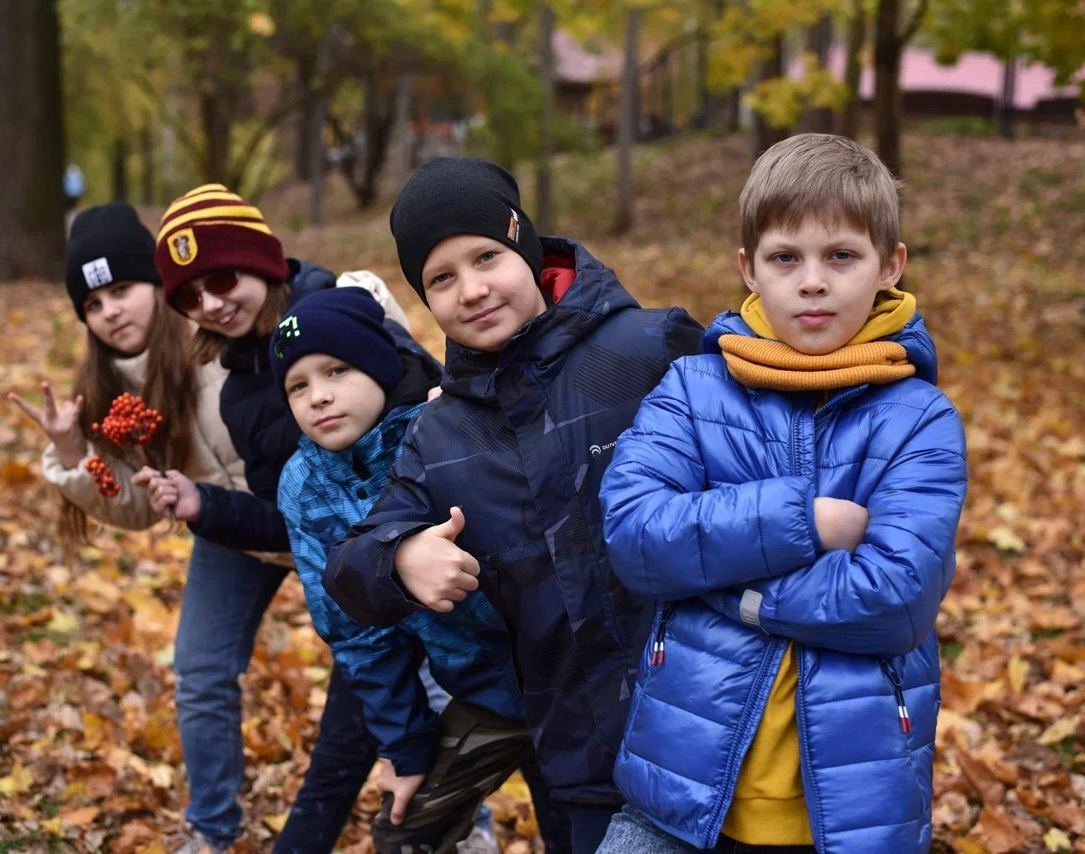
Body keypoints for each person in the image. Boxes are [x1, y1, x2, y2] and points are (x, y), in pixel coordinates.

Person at [594, 133, 968, 853]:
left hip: (853, 816)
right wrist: (804, 518)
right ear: (749, 269)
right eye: (785, 258)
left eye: (842, 256)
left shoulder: (920, 419)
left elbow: (896, 597)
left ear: (891, 265)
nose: (813, 282)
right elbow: (636, 534)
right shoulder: (693, 390)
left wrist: (731, 591)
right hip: (676, 796)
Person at [321, 157, 704, 853]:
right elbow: (349, 568)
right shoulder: (440, 434)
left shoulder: (648, 350)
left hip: (711, 725)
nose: (471, 290)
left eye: (486, 258)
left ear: (525, 246)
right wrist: (401, 555)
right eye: (441, 278)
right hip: (581, 755)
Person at [134, 183, 424, 852]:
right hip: (350, 591)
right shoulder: (237, 389)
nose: (209, 304)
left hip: (420, 560)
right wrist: (202, 504)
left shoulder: (344, 309)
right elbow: (290, 517)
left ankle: (472, 825)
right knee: (357, 741)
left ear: (261, 259)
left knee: (452, 716)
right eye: (188, 297)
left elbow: (426, 402)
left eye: (223, 278)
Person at [6, 202, 291, 853]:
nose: (111, 310)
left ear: (161, 284)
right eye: (93, 302)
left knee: (397, 662)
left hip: (311, 514)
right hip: (228, 529)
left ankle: (457, 820)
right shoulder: (111, 395)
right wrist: (79, 451)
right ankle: (212, 829)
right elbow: (133, 506)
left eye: (124, 289)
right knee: (198, 669)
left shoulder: (221, 335)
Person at [268, 287, 569, 854]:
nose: (319, 398)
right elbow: (357, 634)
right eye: (298, 386)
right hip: (480, 688)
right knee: (406, 832)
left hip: (568, 672)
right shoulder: (303, 486)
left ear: (380, 367)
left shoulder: (443, 422)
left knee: (575, 820)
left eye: (336, 371)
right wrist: (405, 748)